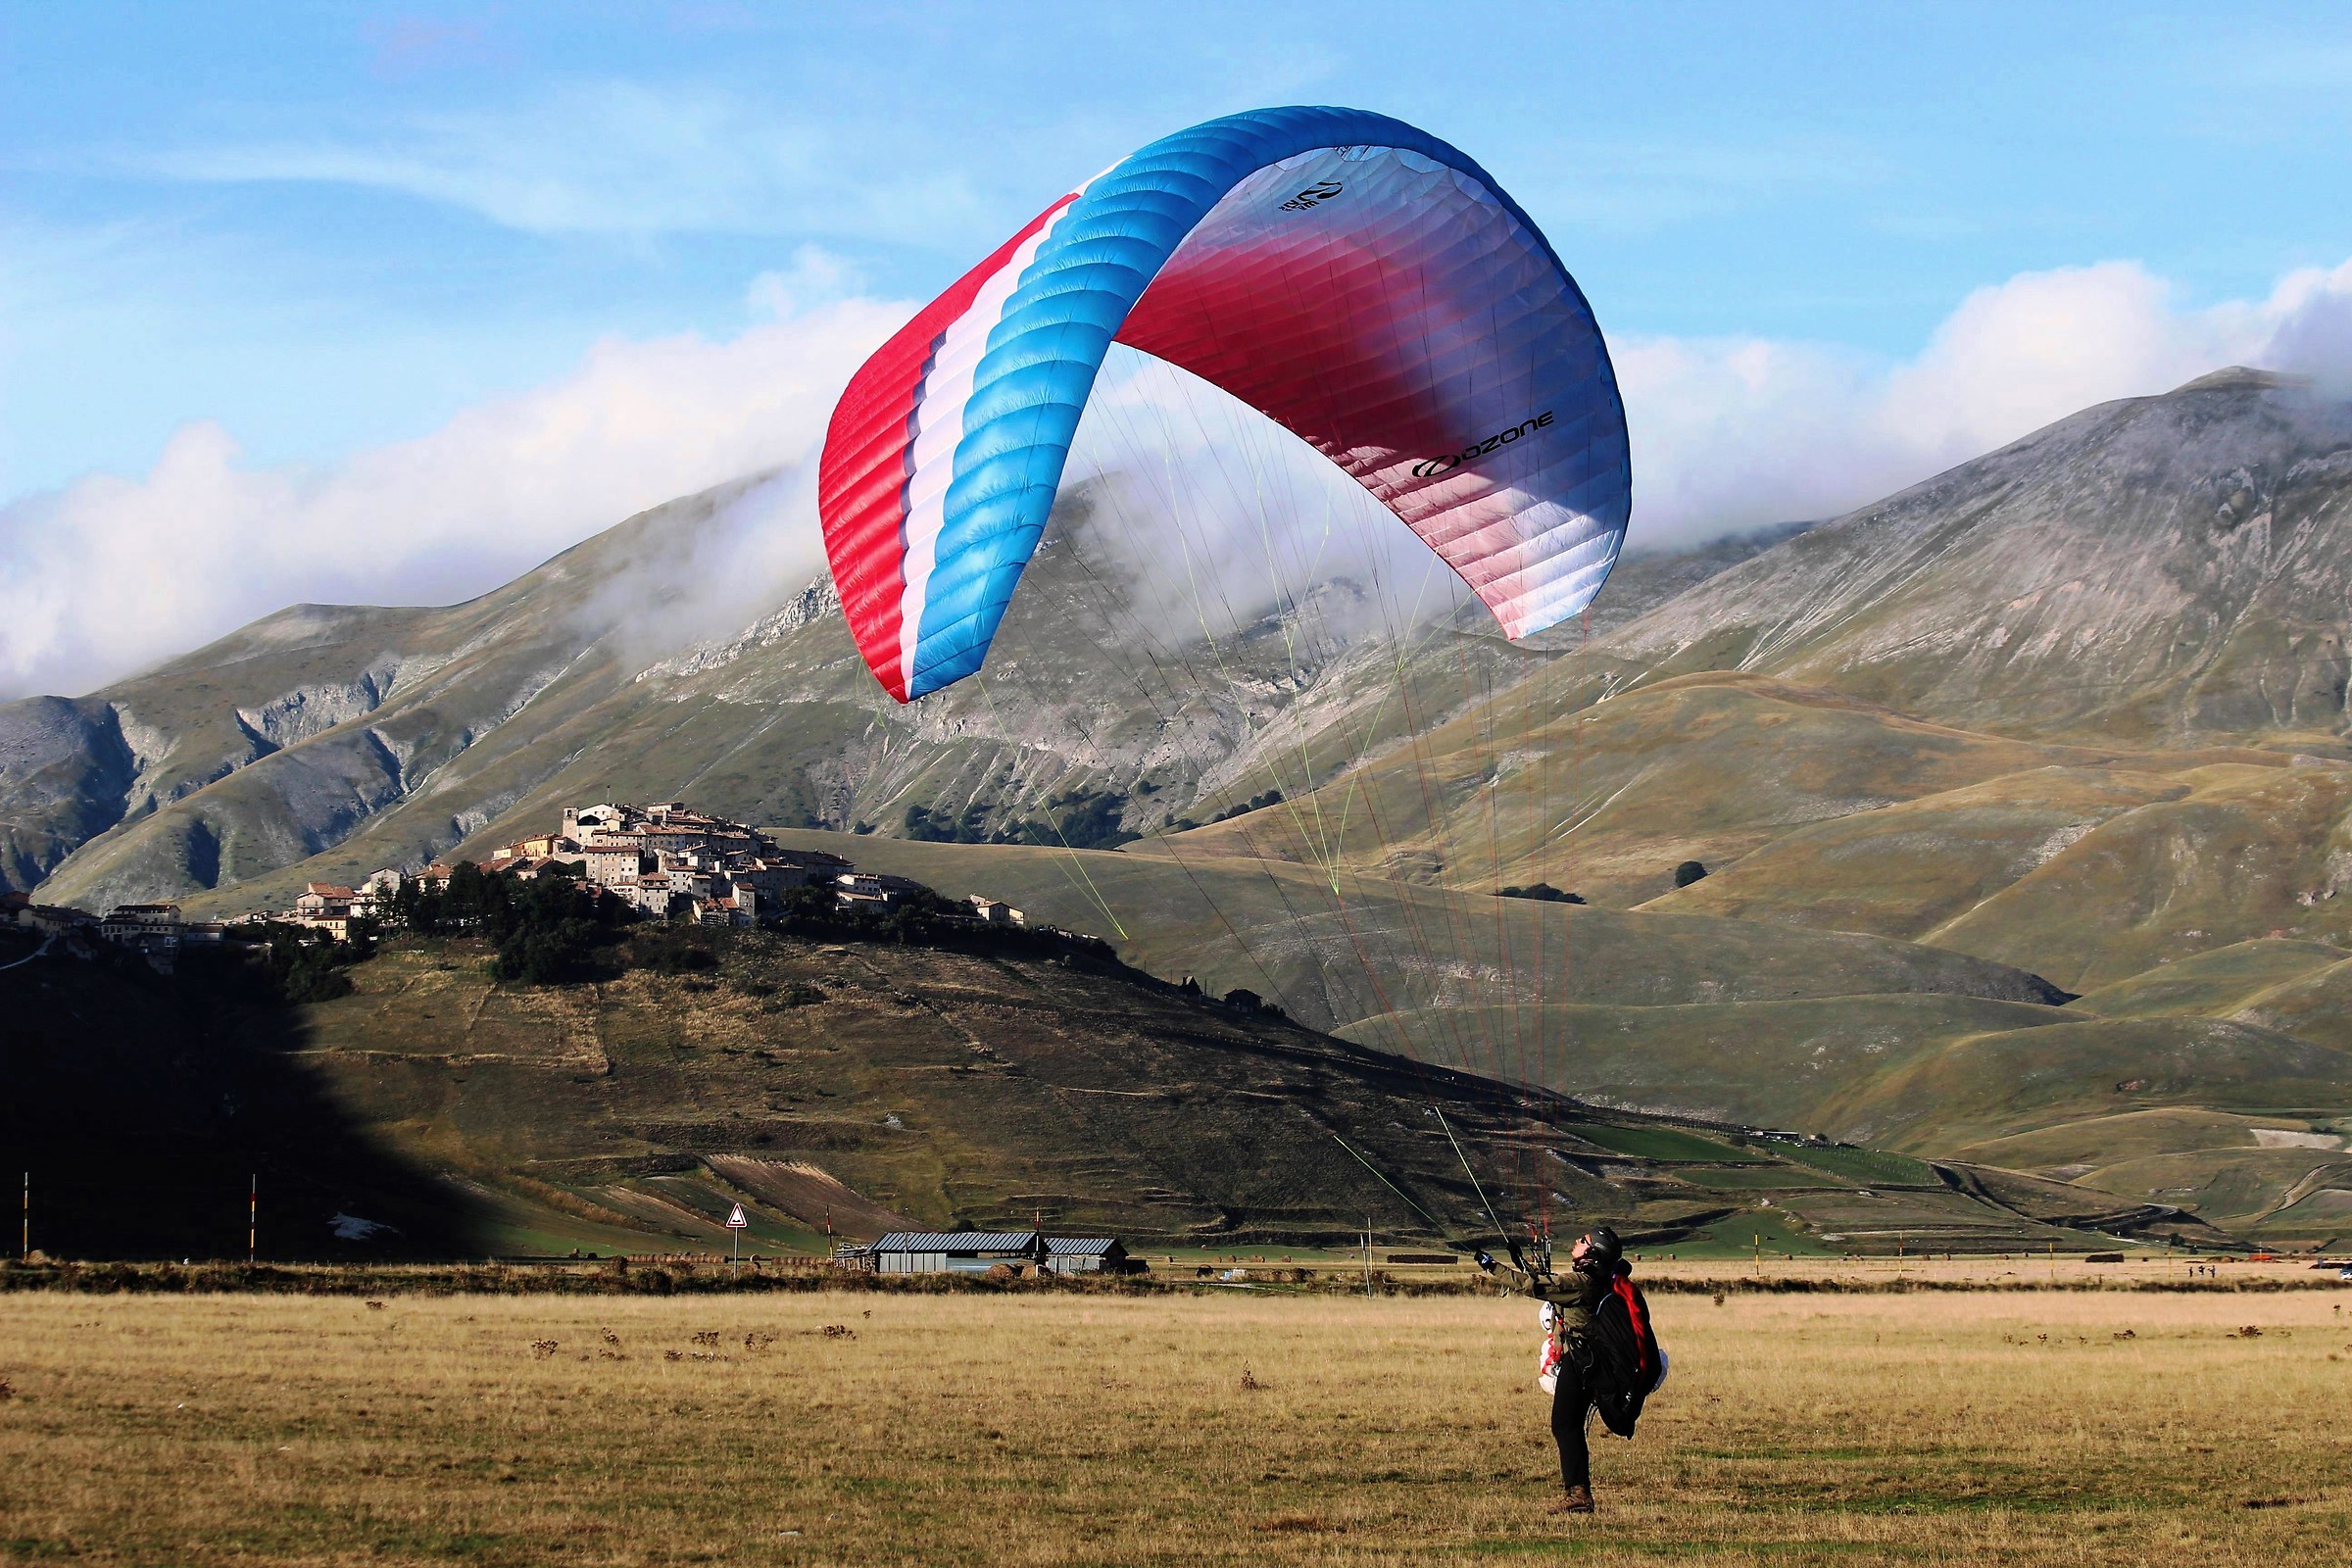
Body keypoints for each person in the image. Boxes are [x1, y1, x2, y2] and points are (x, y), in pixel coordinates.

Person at [1480, 1226, 1625, 1515]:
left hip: (1581, 1362)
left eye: (1582, 1241)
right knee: (1568, 1425)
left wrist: (1491, 1266)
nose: (1575, 1241)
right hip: (1590, 1361)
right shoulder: (1598, 1280)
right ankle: (1578, 1492)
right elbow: (1545, 1282)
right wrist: (1521, 1262)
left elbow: (1536, 1287)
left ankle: (1579, 1493)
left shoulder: (1581, 1282)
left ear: (1593, 1253)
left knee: (1564, 1424)